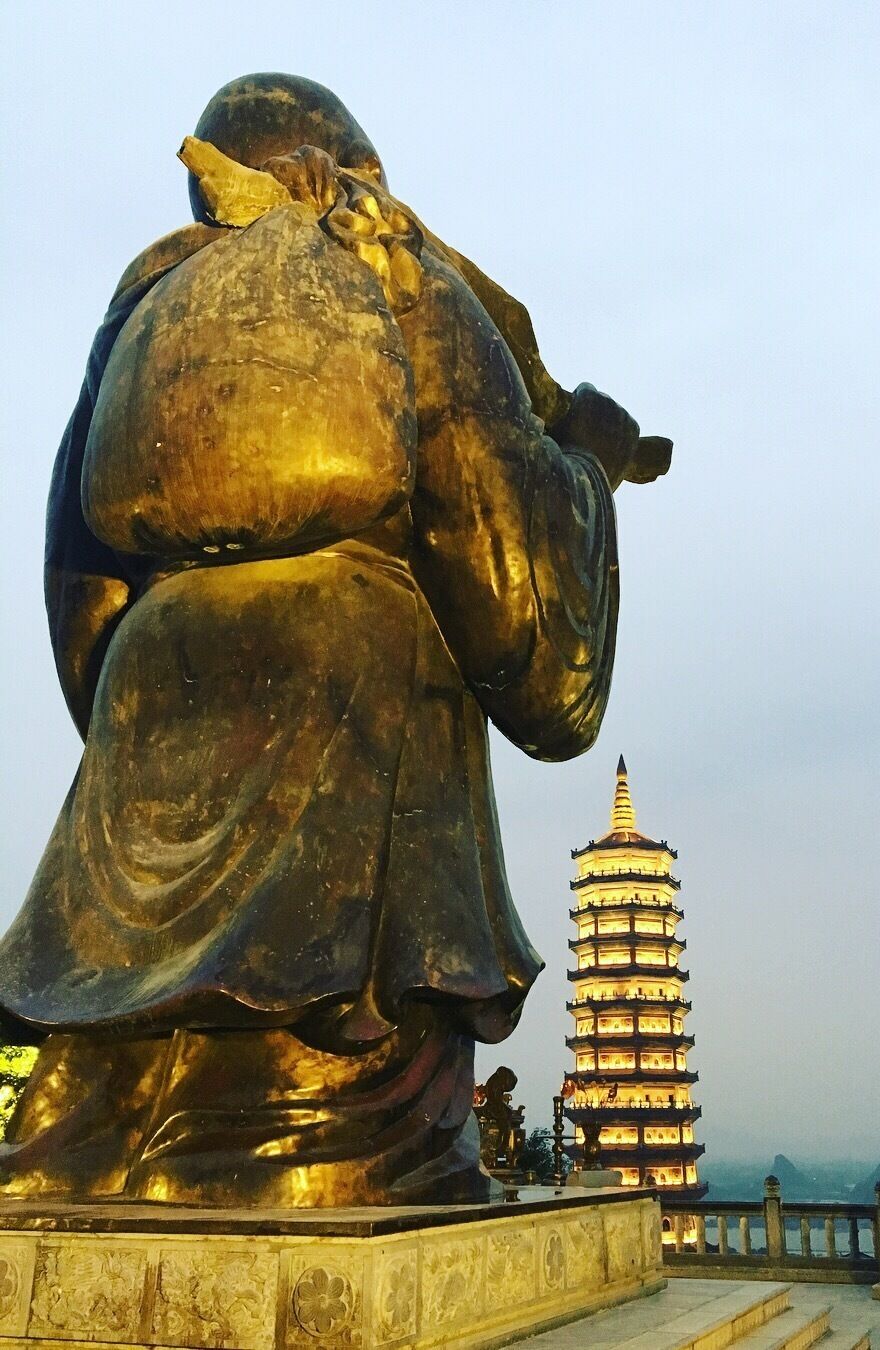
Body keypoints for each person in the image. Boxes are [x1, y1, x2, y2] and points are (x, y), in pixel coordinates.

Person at [0, 73, 669, 1207]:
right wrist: (590, 474)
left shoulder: (145, 313)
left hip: (149, 682)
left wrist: (131, 706)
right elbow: (512, 601)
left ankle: (95, 1141)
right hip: (355, 664)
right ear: (361, 167)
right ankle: (287, 1146)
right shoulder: (397, 272)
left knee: (113, 1059)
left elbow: (77, 578)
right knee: (332, 1084)